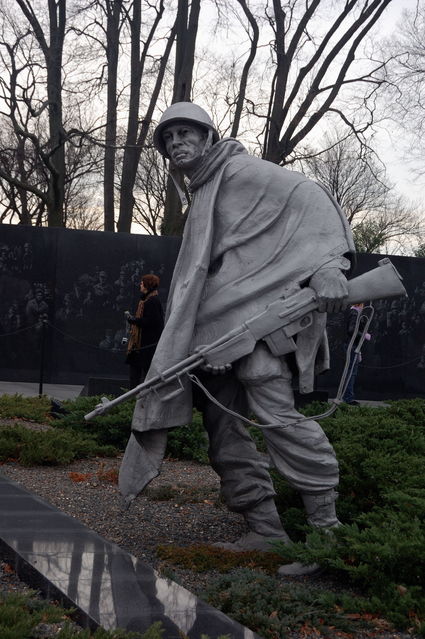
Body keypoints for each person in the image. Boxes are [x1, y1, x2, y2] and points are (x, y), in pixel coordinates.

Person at [118, 102, 355, 576]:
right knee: (223, 428)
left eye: (186, 133)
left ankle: (330, 540)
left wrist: (329, 265)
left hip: (264, 320)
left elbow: (309, 195)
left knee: (277, 416)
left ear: (207, 136)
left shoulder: (242, 170)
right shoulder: (202, 188)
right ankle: (265, 530)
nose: (176, 143)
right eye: (168, 138)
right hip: (217, 326)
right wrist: (209, 331)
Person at [125, 274, 164, 389]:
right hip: (139, 344)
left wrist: (134, 320)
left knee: (145, 371)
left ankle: (141, 397)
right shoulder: (145, 300)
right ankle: (133, 396)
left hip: (146, 344)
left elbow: (153, 321)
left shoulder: (152, 301)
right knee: (134, 371)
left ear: (147, 285)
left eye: (142, 283)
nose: (140, 285)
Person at [342, 303, 371, 406]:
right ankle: (348, 398)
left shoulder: (354, 313)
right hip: (352, 346)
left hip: (352, 345)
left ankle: (347, 397)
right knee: (351, 372)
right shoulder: (355, 313)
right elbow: (351, 330)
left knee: (350, 372)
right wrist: (364, 335)